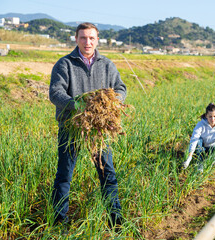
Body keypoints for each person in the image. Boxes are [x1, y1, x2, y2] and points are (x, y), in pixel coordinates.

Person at [49, 22, 127, 227]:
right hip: (71, 126)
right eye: (83, 37)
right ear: (76, 39)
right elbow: (55, 93)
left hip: (99, 130)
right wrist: (76, 105)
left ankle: (115, 220)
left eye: (91, 38)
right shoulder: (64, 64)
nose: (87, 42)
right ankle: (59, 222)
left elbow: (120, 88)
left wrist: (112, 104)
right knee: (64, 174)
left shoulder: (107, 65)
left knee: (107, 172)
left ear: (97, 39)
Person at [183, 103, 215, 172]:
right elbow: (194, 140)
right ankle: (200, 163)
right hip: (202, 147)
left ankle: (211, 160)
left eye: (214, 116)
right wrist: (189, 158)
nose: (212, 119)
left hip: (213, 147)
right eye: (210, 116)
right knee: (198, 140)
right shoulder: (200, 125)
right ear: (206, 116)